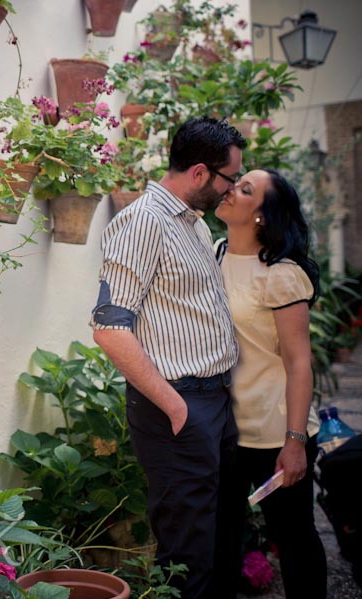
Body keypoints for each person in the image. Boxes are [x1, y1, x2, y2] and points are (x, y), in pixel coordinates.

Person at [91, 116, 246, 599]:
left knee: (220, 541)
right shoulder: (142, 222)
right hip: (179, 406)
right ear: (200, 173)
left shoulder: (194, 224)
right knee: (187, 556)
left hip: (214, 402)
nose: (232, 189)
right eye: (229, 178)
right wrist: (176, 406)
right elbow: (110, 329)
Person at [213, 168, 327, 599]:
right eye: (237, 181)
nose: (231, 189)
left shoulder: (281, 273)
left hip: (276, 434)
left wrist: (294, 441)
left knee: (295, 541)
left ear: (262, 215)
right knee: (221, 541)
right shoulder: (216, 252)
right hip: (225, 431)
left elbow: (300, 363)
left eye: (245, 190)